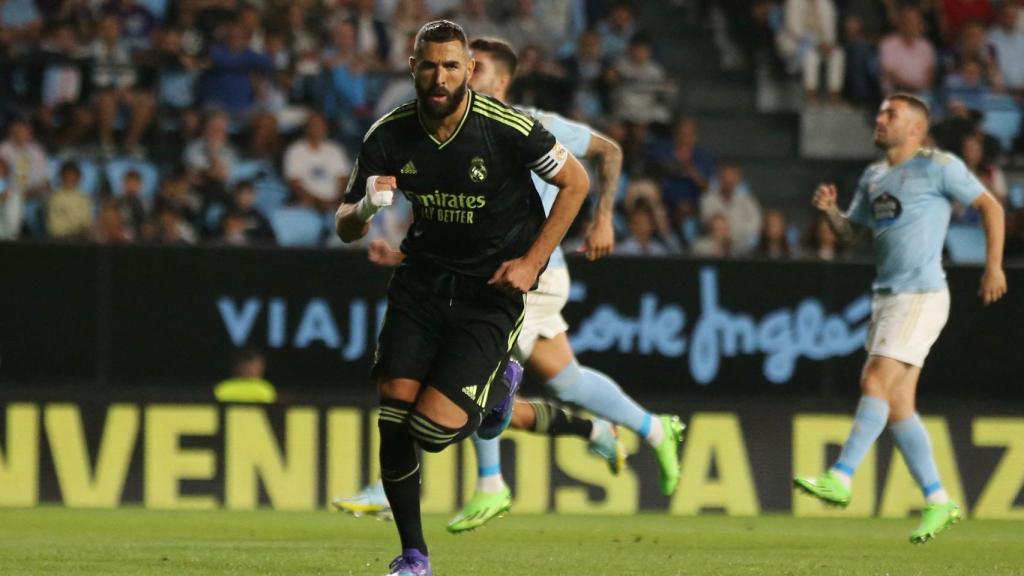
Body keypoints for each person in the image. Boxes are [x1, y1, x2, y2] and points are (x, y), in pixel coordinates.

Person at [334, 37, 686, 537]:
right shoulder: (437, 133)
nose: (450, 81)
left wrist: (603, 218)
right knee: (565, 379)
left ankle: (484, 481)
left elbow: (605, 152)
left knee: (465, 374)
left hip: (528, 269)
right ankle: (644, 428)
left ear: (495, 79)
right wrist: (400, 249)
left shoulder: (529, 123)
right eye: (437, 69)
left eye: (467, 72)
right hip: (482, 268)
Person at [333, 21, 591, 576]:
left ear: (469, 70)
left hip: (489, 293)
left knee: (431, 430)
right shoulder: (388, 134)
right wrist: (366, 210)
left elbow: (577, 184)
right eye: (429, 65)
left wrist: (531, 262)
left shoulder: (507, 128)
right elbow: (344, 224)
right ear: (413, 67)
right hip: (422, 284)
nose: (439, 77)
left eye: (451, 66)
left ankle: (501, 390)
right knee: (393, 419)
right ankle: (413, 556)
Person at [793, 93, 1007, 544]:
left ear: (914, 128)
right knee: (898, 405)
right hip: (887, 296)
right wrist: (832, 212)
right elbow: (854, 234)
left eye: (890, 114)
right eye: (881, 111)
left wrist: (994, 265)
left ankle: (842, 475)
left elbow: (991, 207)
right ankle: (938, 499)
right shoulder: (873, 175)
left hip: (921, 293)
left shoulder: (938, 166)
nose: (879, 117)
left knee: (873, 381)